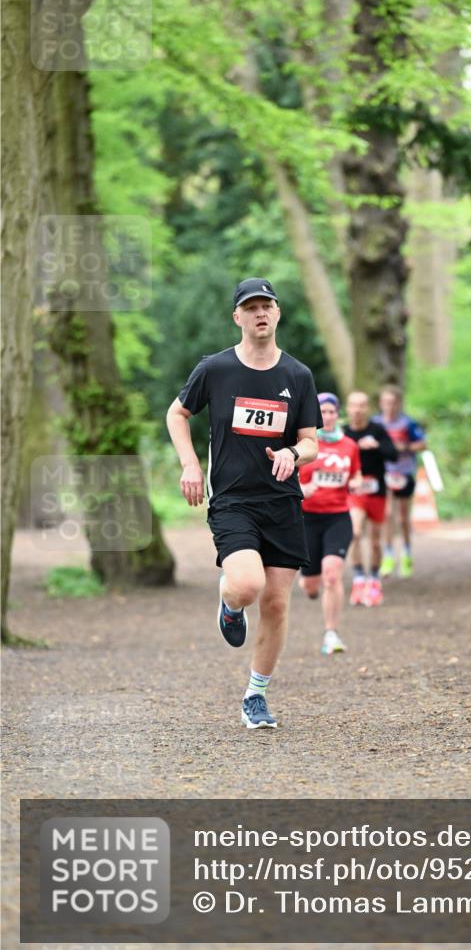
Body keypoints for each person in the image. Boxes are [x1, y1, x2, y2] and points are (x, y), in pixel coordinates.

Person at [166, 278, 321, 730]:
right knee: (248, 585)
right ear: (238, 317)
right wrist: (190, 465)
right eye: (250, 307)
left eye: (266, 306)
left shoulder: (298, 375)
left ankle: (256, 695)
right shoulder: (215, 369)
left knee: (276, 603)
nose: (260, 313)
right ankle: (230, 601)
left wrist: (293, 454)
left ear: (277, 313)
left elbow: (311, 442)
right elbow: (177, 413)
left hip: (282, 502)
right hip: (233, 500)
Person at [298, 393, 362, 655]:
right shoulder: (304, 445)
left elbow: (356, 474)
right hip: (308, 519)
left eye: (331, 411)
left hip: (338, 517)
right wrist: (301, 488)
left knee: (332, 573)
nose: (327, 416)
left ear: (338, 414)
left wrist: (356, 483)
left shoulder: (349, 446)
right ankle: (311, 587)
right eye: (322, 412)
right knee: (310, 585)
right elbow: (285, 476)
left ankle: (331, 633)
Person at [343, 391, 398, 607]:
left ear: (367, 408)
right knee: (355, 532)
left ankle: (374, 580)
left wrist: (377, 446)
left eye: (362, 405)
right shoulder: (343, 432)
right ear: (348, 408)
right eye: (353, 405)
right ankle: (358, 579)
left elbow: (393, 454)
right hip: (354, 492)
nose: (357, 410)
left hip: (376, 491)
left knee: (375, 541)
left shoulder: (377, 430)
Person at [373, 384, 427, 579]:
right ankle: (388, 556)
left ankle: (406, 553)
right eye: (386, 402)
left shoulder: (408, 423)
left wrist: (404, 447)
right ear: (381, 403)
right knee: (387, 515)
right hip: (384, 473)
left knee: (403, 518)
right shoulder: (375, 423)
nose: (389, 406)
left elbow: (422, 444)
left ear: (399, 404)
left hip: (403, 473)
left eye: (393, 402)